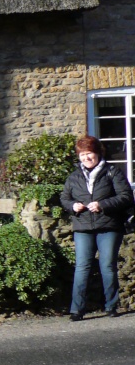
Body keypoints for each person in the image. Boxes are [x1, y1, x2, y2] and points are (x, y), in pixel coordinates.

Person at [60, 134, 133, 321]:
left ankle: (111, 306)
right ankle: (77, 310)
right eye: (82, 154)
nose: (86, 158)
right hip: (83, 226)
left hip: (109, 226)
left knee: (107, 266)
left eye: (89, 153)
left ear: (98, 153)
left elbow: (126, 196)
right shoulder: (74, 177)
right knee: (82, 267)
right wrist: (72, 206)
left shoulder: (113, 172)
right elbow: (65, 198)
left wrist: (103, 205)